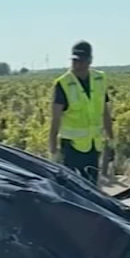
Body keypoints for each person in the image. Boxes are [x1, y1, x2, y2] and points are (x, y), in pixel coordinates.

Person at [49, 40, 113, 185]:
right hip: (71, 147)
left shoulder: (99, 79)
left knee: (91, 185)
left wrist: (111, 138)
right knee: (73, 187)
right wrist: (53, 150)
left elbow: (105, 111)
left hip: (93, 145)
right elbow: (55, 119)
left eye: (81, 60)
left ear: (90, 60)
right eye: (74, 60)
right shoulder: (63, 83)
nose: (77, 64)